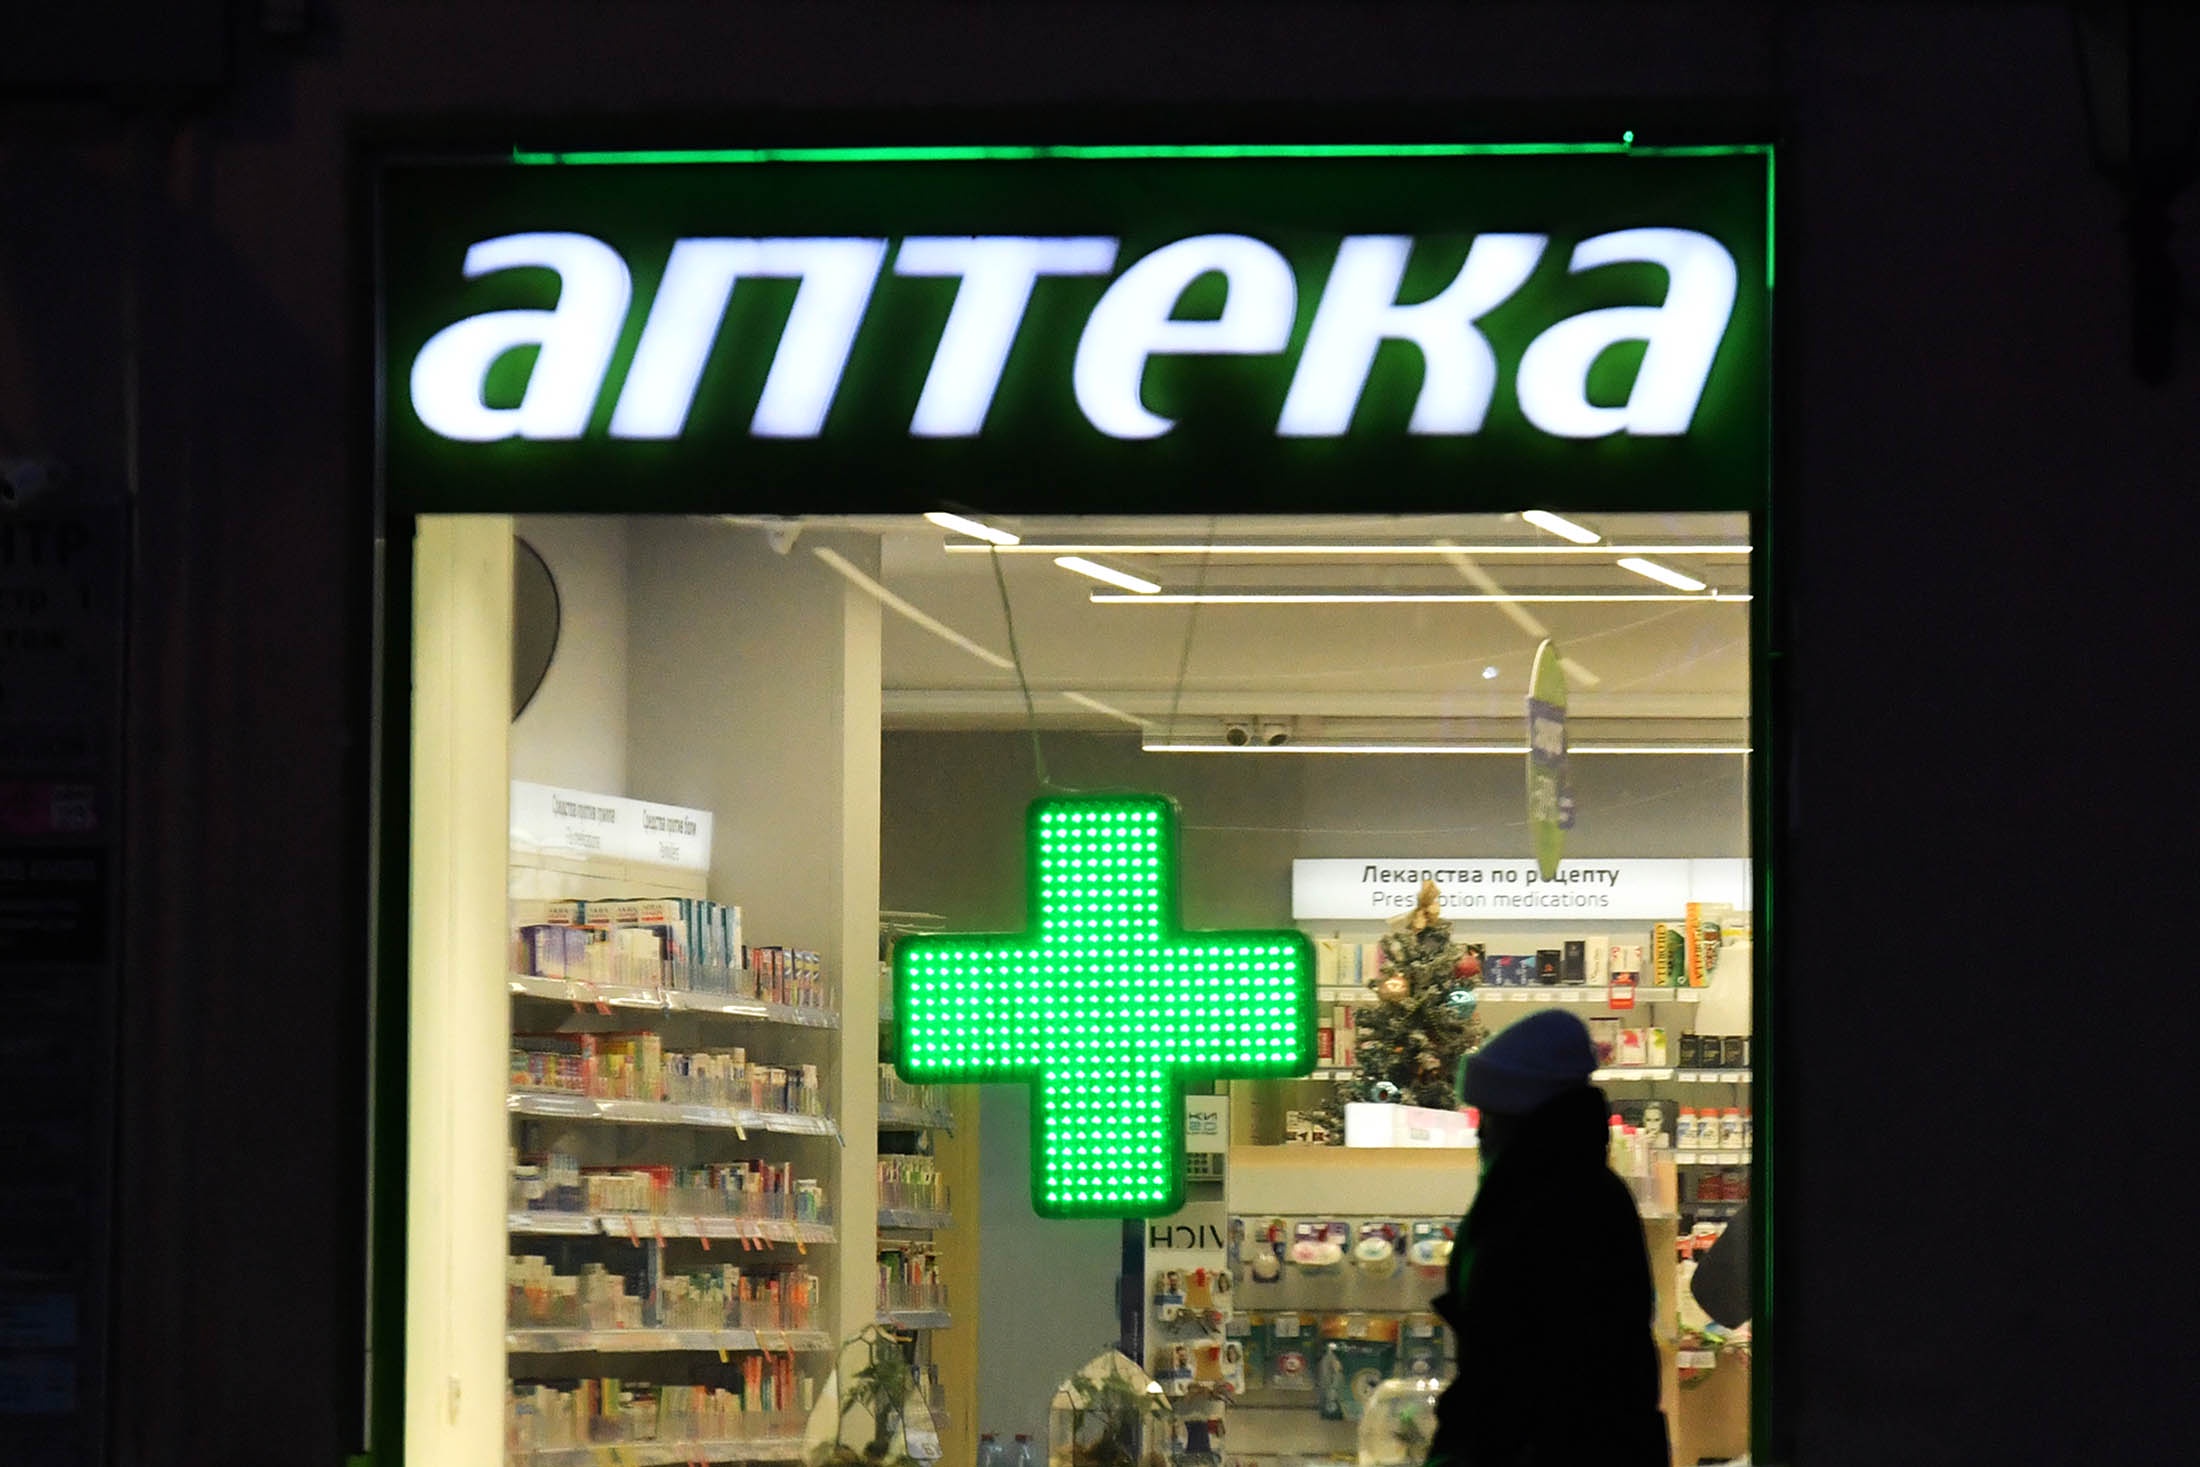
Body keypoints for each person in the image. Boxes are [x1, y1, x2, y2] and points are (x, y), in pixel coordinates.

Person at [1426, 1009, 1671, 1467]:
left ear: (1517, 1117)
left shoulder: (1536, 1206)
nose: (1479, 1134)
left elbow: (1511, 1370)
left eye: (1489, 1115)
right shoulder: (1584, 1192)